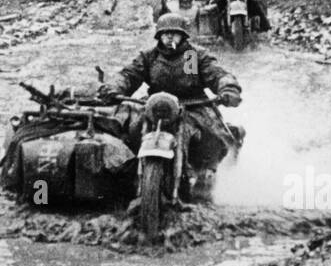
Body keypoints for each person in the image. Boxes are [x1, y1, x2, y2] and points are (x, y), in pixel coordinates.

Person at [98, 12, 242, 198]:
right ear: (158, 36)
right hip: (156, 105)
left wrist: (228, 88)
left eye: (174, 33)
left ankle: (207, 169)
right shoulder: (149, 56)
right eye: (165, 34)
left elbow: (217, 74)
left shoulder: (193, 55)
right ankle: (129, 171)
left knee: (213, 134)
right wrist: (113, 88)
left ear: (183, 35)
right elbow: (128, 75)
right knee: (127, 128)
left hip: (192, 104)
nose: (169, 37)